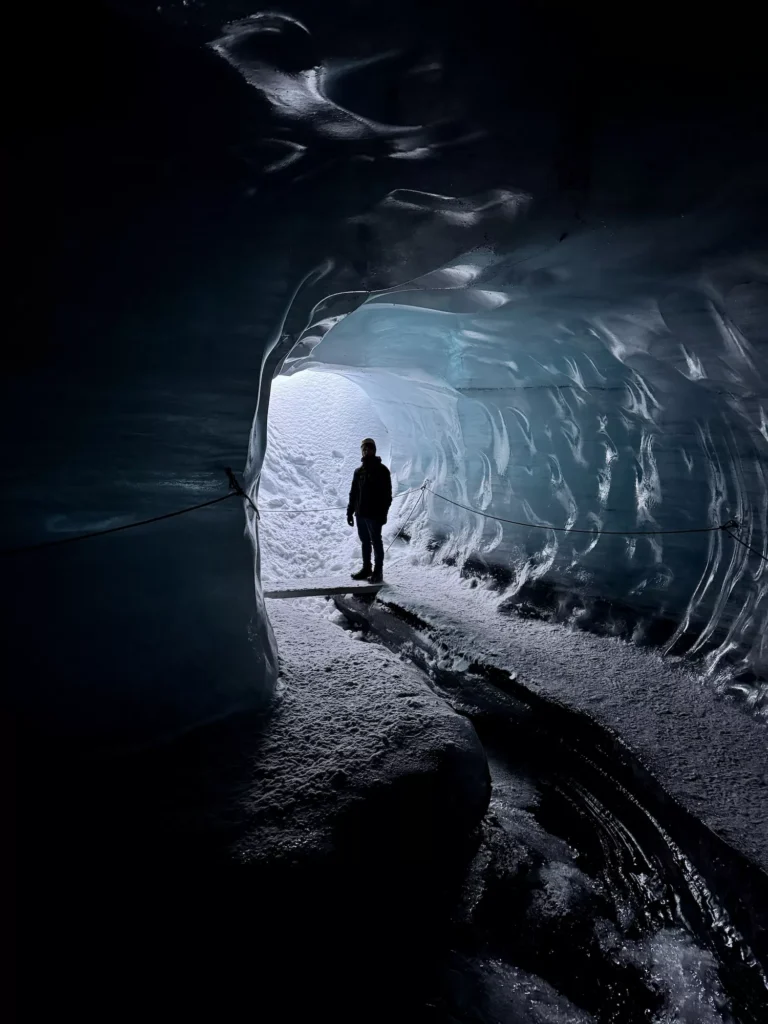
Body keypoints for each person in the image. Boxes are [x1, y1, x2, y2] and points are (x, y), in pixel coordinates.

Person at [347, 437, 392, 583]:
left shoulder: (382, 471)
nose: (366, 451)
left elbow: (387, 496)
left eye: (369, 448)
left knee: (376, 542)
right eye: (364, 449)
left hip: (374, 516)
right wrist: (350, 511)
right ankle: (367, 568)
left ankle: (378, 572)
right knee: (365, 542)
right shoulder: (358, 472)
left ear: (374, 450)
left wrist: (383, 514)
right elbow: (353, 493)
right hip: (360, 514)